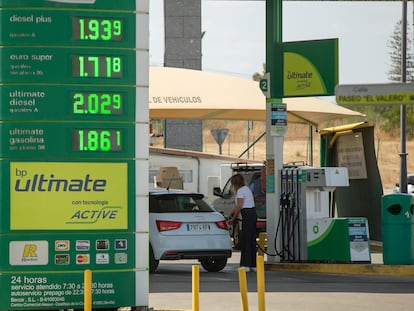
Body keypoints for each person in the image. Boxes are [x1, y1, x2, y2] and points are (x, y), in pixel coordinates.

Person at [228, 173, 257, 272]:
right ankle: (253, 265)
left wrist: (233, 218)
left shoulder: (240, 191)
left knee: (246, 240)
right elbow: (238, 206)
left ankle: (245, 265)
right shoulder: (246, 189)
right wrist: (231, 213)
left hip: (247, 215)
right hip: (252, 214)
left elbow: (240, 206)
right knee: (251, 239)